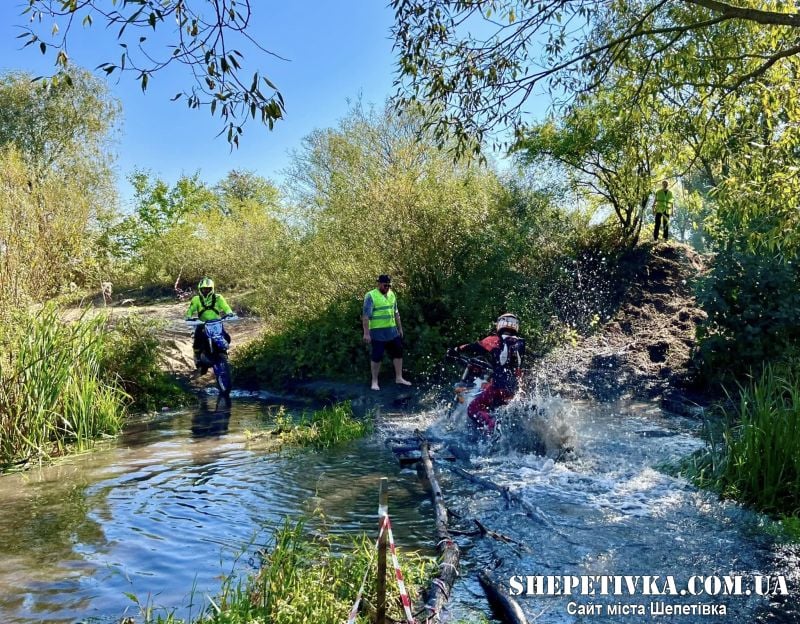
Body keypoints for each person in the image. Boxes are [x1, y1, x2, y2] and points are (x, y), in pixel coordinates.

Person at [449, 313, 525, 433]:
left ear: (500, 324)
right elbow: (518, 370)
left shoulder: (494, 340)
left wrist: (456, 349)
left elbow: (474, 347)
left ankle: (491, 427)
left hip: (498, 387)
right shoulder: (520, 344)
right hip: (513, 389)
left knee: (474, 408)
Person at [362, 274, 412, 390]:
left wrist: (400, 328)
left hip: (392, 331)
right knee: (377, 356)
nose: (387, 287)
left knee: (398, 352)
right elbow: (365, 316)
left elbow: (396, 313)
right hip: (377, 332)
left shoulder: (392, 294)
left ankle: (399, 377)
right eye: (385, 285)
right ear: (379, 284)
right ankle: (374, 381)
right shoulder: (371, 296)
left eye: (389, 285)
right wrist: (366, 333)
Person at [185, 277, 234, 373]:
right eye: (204, 289)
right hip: (202, 324)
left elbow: (225, 306)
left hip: (217, 323)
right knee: (197, 341)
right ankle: (198, 358)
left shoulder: (218, 297)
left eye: (208, 289)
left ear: (212, 289)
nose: (206, 291)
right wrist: (188, 317)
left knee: (227, 337)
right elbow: (190, 310)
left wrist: (229, 313)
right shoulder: (196, 299)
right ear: (200, 289)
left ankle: (224, 354)